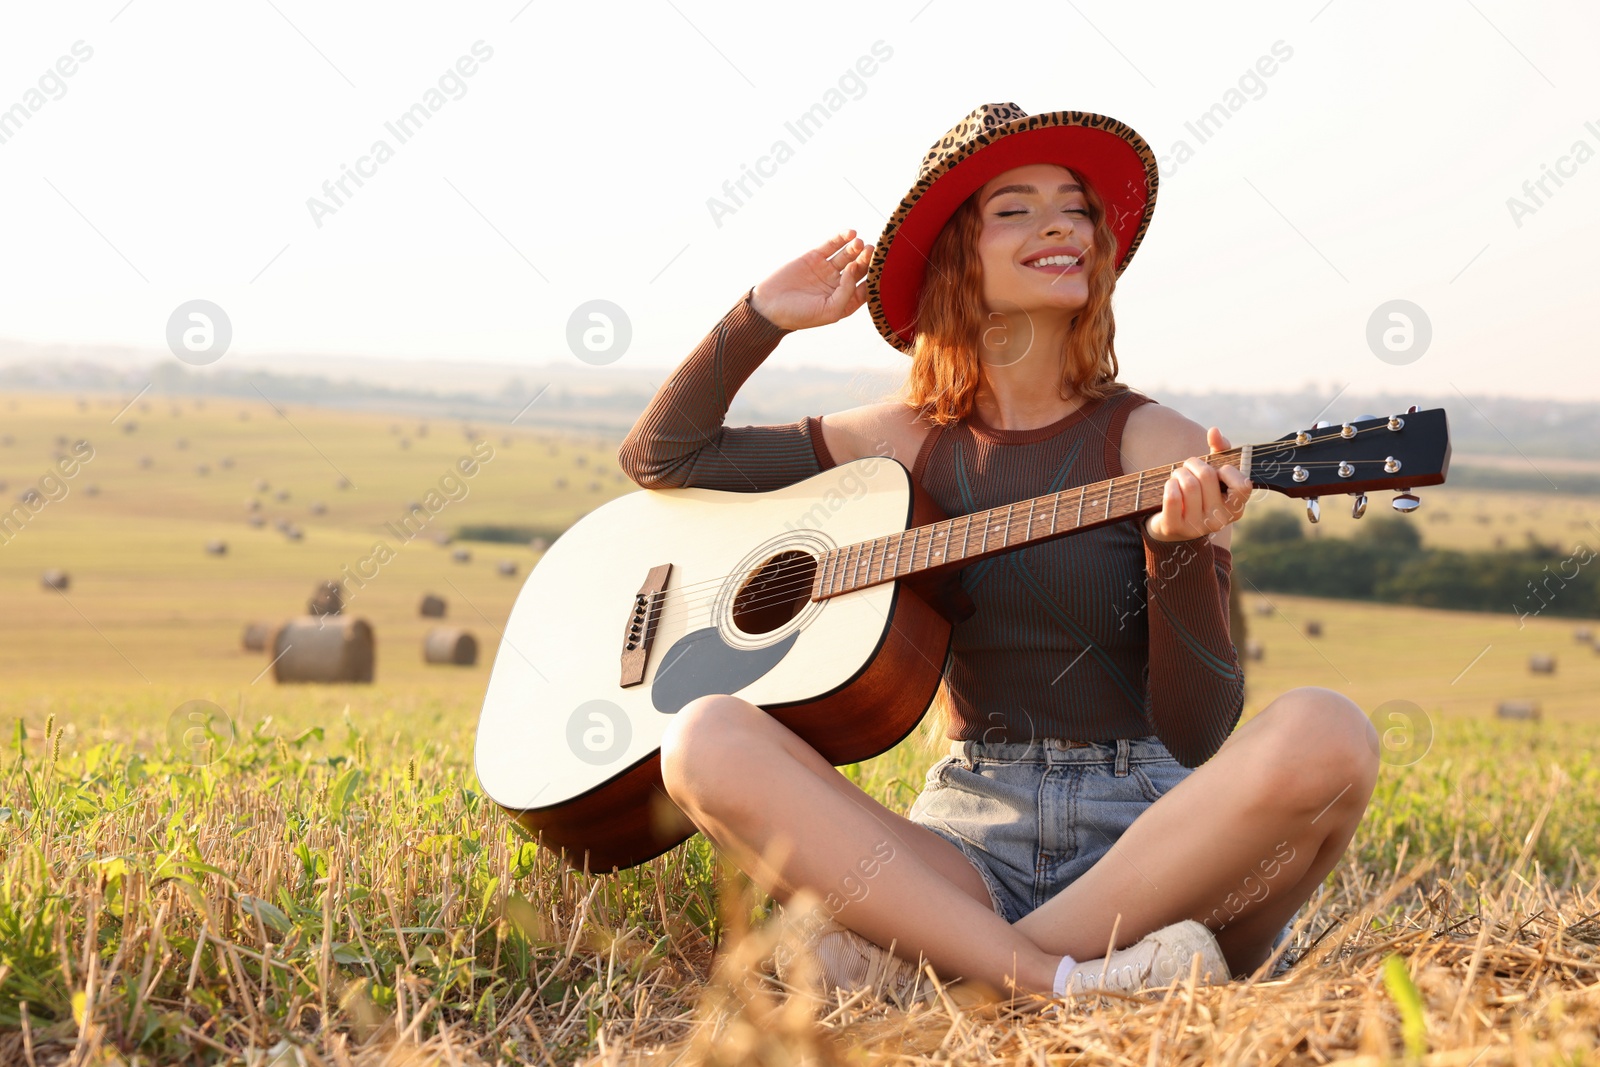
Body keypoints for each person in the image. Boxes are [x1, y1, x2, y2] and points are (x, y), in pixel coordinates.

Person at [617, 104, 1379, 1006]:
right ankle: (1063, 983)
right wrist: (760, 317)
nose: (1061, 223)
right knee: (703, 739)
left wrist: (1178, 555)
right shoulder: (897, 441)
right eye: (1014, 208)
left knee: (1332, 732)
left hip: (1158, 837)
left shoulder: (1160, 444)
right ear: (954, 257)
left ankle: (961, 977)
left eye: (1076, 207)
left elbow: (1199, 730)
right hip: (969, 838)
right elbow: (662, 457)